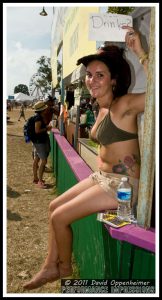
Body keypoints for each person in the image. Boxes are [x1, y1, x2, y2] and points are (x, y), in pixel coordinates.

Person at [23, 26, 148, 289]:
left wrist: (142, 55)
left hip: (121, 186)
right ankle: (49, 264)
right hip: (101, 177)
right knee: (52, 207)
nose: (92, 80)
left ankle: (63, 268)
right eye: (89, 75)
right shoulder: (100, 107)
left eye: (100, 75)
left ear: (114, 79)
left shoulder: (123, 105)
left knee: (59, 218)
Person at [32, 101, 52, 188]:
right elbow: (37, 131)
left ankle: (36, 178)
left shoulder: (37, 117)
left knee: (36, 159)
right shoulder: (38, 119)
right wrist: (47, 128)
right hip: (40, 142)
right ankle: (40, 181)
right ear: (43, 110)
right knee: (43, 161)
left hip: (37, 142)